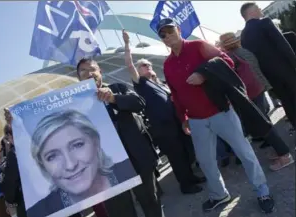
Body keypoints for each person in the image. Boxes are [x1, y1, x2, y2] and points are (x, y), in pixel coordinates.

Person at [157, 17, 274, 213]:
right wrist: (183, 118)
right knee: (206, 161)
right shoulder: (168, 64)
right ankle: (219, 194)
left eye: (169, 30)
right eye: (162, 34)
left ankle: (262, 191)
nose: (167, 36)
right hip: (195, 120)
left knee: (244, 152)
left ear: (178, 29)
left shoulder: (198, 46)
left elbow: (227, 60)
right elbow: (175, 95)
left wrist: (204, 73)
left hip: (221, 112)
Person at [76, 58, 164, 217]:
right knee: (121, 212)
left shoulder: (117, 88)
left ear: (100, 72)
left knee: (151, 202)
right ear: (78, 78)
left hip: (137, 158)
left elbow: (139, 102)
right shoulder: (74, 105)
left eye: (92, 69)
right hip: (105, 169)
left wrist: (113, 98)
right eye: (83, 71)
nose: (89, 74)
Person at [122, 29, 206, 194]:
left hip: (175, 123)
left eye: (149, 65)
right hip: (163, 129)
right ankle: (186, 185)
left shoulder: (158, 83)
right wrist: (126, 44)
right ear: (138, 71)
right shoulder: (140, 84)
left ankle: (191, 177)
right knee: (176, 157)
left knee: (184, 152)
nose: (148, 67)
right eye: (144, 66)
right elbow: (129, 65)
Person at [27, 110, 137, 217]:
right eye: (52, 156)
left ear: (96, 142)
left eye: (77, 145)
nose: (70, 165)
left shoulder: (128, 170)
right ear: (43, 166)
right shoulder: (39, 212)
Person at [218, 32, 294, 171]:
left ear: (224, 45)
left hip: (249, 93)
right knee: (265, 122)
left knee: (263, 125)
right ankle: (280, 150)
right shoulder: (244, 51)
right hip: (258, 89)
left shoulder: (230, 57)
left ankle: (284, 155)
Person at [240, 2, 296, 129]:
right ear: (251, 12)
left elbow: (253, 59)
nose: (261, 10)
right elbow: (283, 45)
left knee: (287, 102)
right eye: (258, 8)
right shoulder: (264, 22)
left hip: (270, 76)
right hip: (286, 69)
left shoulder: (243, 36)